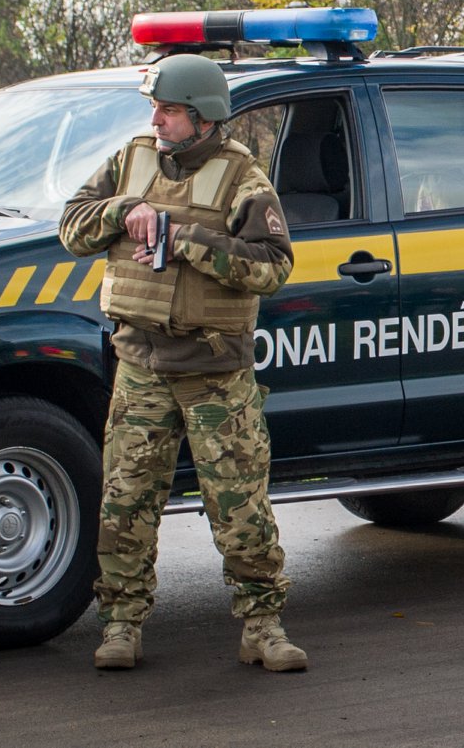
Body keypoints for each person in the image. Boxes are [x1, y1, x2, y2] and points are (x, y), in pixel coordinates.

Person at [58, 52, 305, 674]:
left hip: (214, 371)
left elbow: (273, 266)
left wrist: (184, 240)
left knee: (239, 506)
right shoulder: (130, 160)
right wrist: (123, 211)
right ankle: (120, 624)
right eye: (156, 108)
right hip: (141, 365)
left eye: (168, 110)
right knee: (125, 503)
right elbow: (72, 228)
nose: (157, 119)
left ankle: (262, 627)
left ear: (202, 117)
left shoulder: (243, 180)